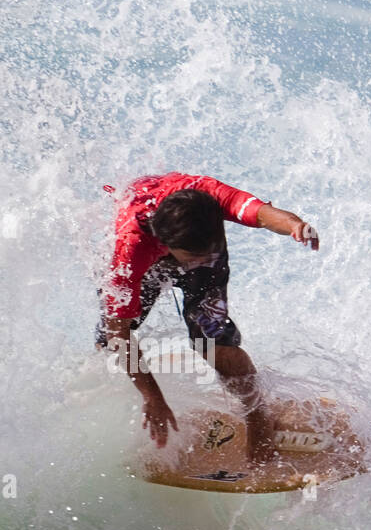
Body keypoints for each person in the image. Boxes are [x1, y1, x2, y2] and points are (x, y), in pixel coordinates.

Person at [97, 172, 319, 465]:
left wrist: (296, 226)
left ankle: (259, 415)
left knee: (214, 345)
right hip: (148, 254)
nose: (199, 262)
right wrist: (153, 397)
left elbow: (262, 214)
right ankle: (125, 410)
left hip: (199, 237)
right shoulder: (130, 249)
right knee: (107, 340)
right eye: (193, 256)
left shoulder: (207, 197)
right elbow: (119, 333)